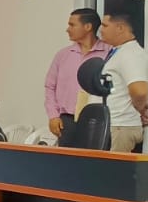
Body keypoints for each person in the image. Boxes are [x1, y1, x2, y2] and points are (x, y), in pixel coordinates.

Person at [45, 8, 111, 139]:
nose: (67, 29)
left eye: (72, 25)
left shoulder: (109, 53)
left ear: (88, 27)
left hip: (98, 120)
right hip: (66, 121)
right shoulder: (63, 55)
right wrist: (53, 116)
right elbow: (50, 87)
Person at [98, 11, 148, 153]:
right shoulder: (118, 51)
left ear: (120, 28)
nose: (101, 30)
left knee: (112, 167)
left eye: (105, 25)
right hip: (111, 124)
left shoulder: (132, 54)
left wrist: (139, 109)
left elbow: (140, 91)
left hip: (120, 126)